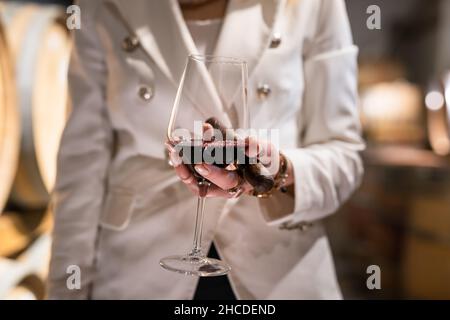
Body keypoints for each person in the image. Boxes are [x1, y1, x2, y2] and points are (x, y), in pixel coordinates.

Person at [48, 0, 364, 299]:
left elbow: (345, 156)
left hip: (278, 268)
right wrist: (66, 288)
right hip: (140, 265)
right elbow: (81, 168)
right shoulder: (98, 6)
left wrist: (277, 169)